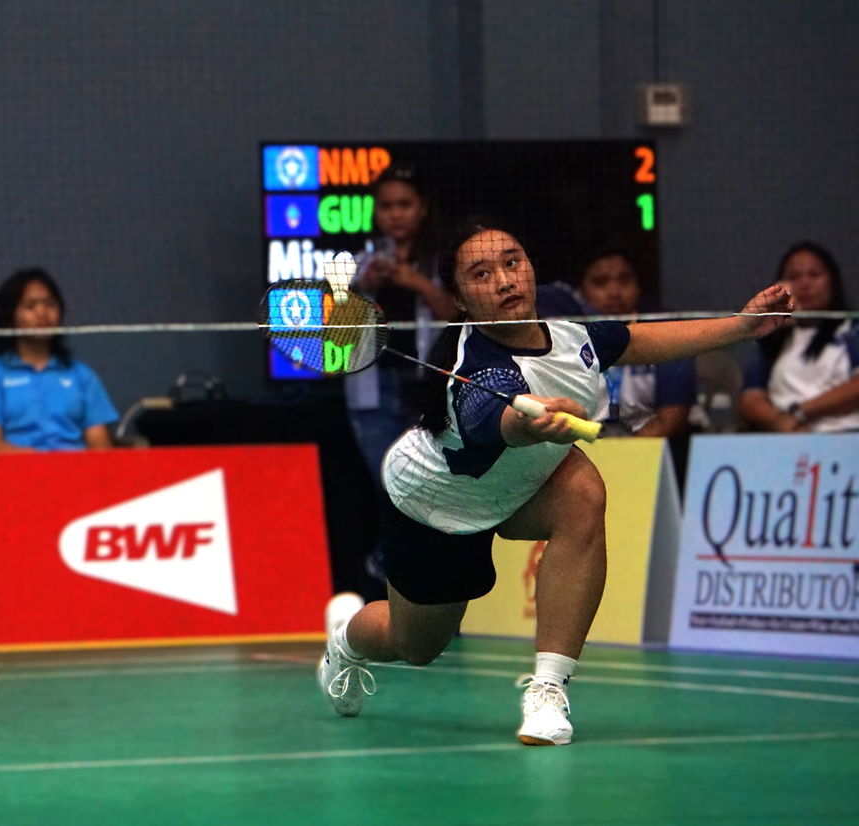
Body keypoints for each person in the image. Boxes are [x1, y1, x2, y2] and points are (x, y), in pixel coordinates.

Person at [316, 224, 792, 745]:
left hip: (520, 487)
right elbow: (495, 418)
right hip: (438, 506)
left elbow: (642, 340)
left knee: (583, 493)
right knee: (414, 646)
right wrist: (533, 424)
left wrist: (742, 326)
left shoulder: (573, 337)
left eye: (512, 262)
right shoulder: (475, 370)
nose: (504, 280)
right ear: (460, 299)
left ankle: (548, 689)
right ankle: (346, 642)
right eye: (481, 274)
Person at [347, 165, 458, 477]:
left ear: (422, 209)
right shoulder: (358, 264)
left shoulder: (443, 261)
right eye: (386, 206)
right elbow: (334, 332)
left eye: (404, 205)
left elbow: (456, 316)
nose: (395, 214)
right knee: (387, 482)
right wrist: (362, 288)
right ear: (375, 212)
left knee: (432, 481)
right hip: (375, 389)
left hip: (430, 387)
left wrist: (417, 283)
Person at [0, 268, 118, 451]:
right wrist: (38, 464)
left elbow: (99, 444)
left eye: (50, 305)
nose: (42, 313)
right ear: (10, 317)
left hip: (74, 465)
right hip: (16, 466)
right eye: (30, 306)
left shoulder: (82, 375)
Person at [738, 241, 859, 433]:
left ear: (833, 281)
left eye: (814, 275)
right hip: (786, 438)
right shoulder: (770, 338)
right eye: (794, 277)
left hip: (846, 435)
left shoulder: (852, 330)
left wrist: (800, 413)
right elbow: (751, 400)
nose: (804, 284)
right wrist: (783, 423)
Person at [576, 248, 695, 438]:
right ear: (581, 292)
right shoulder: (568, 340)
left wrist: (628, 451)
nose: (614, 292)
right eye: (601, 282)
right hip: (584, 443)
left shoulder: (665, 336)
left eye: (624, 281)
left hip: (649, 445)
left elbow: (672, 418)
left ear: (638, 287)